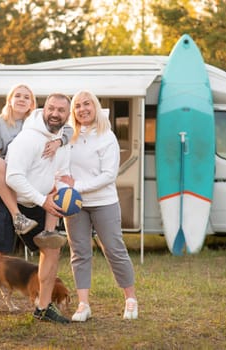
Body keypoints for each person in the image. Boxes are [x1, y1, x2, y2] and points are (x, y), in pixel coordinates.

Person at [0, 93, 72, 327]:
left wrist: (65, 190)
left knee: (52, 249)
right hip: (7, 198)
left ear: (68, 115)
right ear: (43, 110)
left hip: (36, 200)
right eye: (52, 109)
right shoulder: (28, 137)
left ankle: (43, 308)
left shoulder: (64, 143)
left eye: (61, 110)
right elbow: (13, 177)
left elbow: (61, 174)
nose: (55, 113)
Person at [59, 90, 138, 322]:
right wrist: (64, 188)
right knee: (79, 252)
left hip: (104, 202)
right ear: (73, 111)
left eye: (87, 104)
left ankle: (130, 299)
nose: (82, 109)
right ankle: (83, 305)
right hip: (75, 204)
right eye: (77, 106)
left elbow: (108, 176)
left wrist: (77, 186)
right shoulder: (68, 137)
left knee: (114, 249)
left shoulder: (107, 137)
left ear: (95, 107)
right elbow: (61, 168)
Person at [0, 84, 71, 239]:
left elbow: (68, 129)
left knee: (52, 182)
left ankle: (50, 232)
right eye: (17, 96)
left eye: (26, 97)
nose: (21, 100)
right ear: (9, 100)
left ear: (32, 104)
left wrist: (59, 142)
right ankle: (17, 215)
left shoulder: (34, 122)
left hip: (17, 171)